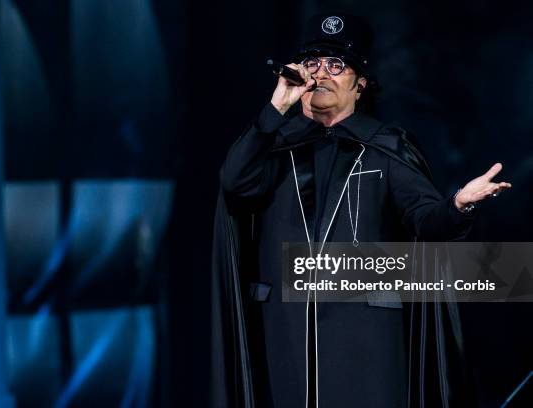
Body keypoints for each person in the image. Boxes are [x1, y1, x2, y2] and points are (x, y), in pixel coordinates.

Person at [210, 13, 511, 408]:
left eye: (336, 65)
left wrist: (457, 205)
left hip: (363, 340)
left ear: (361, 84)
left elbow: (424, 220)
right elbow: (234, 183)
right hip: (282, 335)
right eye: (313, 63)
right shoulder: (273, 143)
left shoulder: (386, 146)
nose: (321, 74)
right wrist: (276, 107)